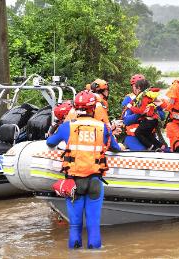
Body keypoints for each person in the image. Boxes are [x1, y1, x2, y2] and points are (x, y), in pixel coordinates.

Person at [46, 90, 121, 249]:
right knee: (93, 226)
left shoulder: (67, 127)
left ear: (75, 108)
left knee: (74, 226)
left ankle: (74, 254)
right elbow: (115, 148)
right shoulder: (103, 128)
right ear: (93, 108)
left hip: (73, 183)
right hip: (94, 181)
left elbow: (50, 142)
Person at [127, 79, 166, 151]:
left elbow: (142, 111)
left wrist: (131, 107)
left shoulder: (144, 97)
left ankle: (152, 147)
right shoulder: (150, 95)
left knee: (138, 133)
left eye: (137, 88)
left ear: (139, 88)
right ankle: (161, 146)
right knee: (148, 134)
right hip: (154, 120)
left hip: (149, 121)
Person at [121, 74, 147, 150]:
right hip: (132, 136)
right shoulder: (129, 99)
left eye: (140, 86)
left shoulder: (150, 97)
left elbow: (162, 117)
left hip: (148, 135)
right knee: (142, 150)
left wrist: (153, 110)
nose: (137, 88)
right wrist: (140, 113)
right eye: (135, 86)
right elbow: (126, 120)